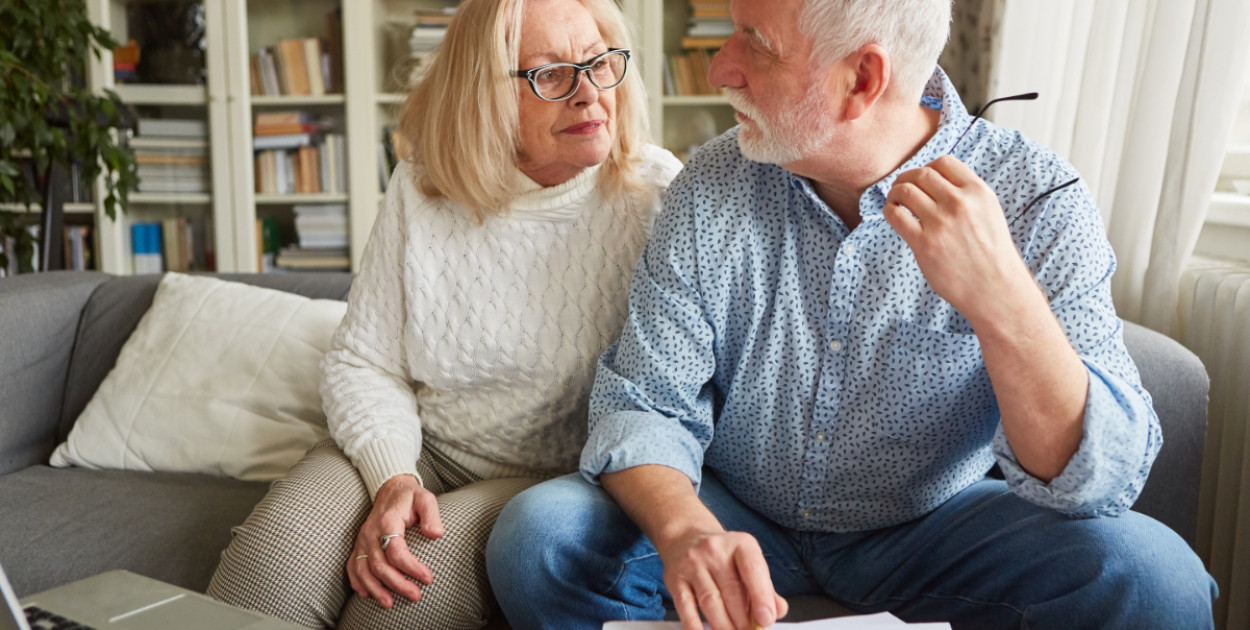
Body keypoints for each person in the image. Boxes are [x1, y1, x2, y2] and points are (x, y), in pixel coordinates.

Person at [485, 0, 1218, 628]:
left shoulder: (1036, 198)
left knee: (1158, 582)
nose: (720, 70)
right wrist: (685, 533)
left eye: (756, 45)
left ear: (863, 79)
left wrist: (1004, 304)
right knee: (539, 539)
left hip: (938, 526)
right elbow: (643, 404)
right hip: (738, 511)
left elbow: (1101, 478)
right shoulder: (710, 185)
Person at [205, 0, 682, 627]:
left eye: (599, 63)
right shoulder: (422, 185)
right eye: (551, 74)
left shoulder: (657, 193)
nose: (590, 93)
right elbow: (364, 361)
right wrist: (393, 479)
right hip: (422, 447)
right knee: (273, 566)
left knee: (393, 602)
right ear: (484, 94)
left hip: (549, 482)